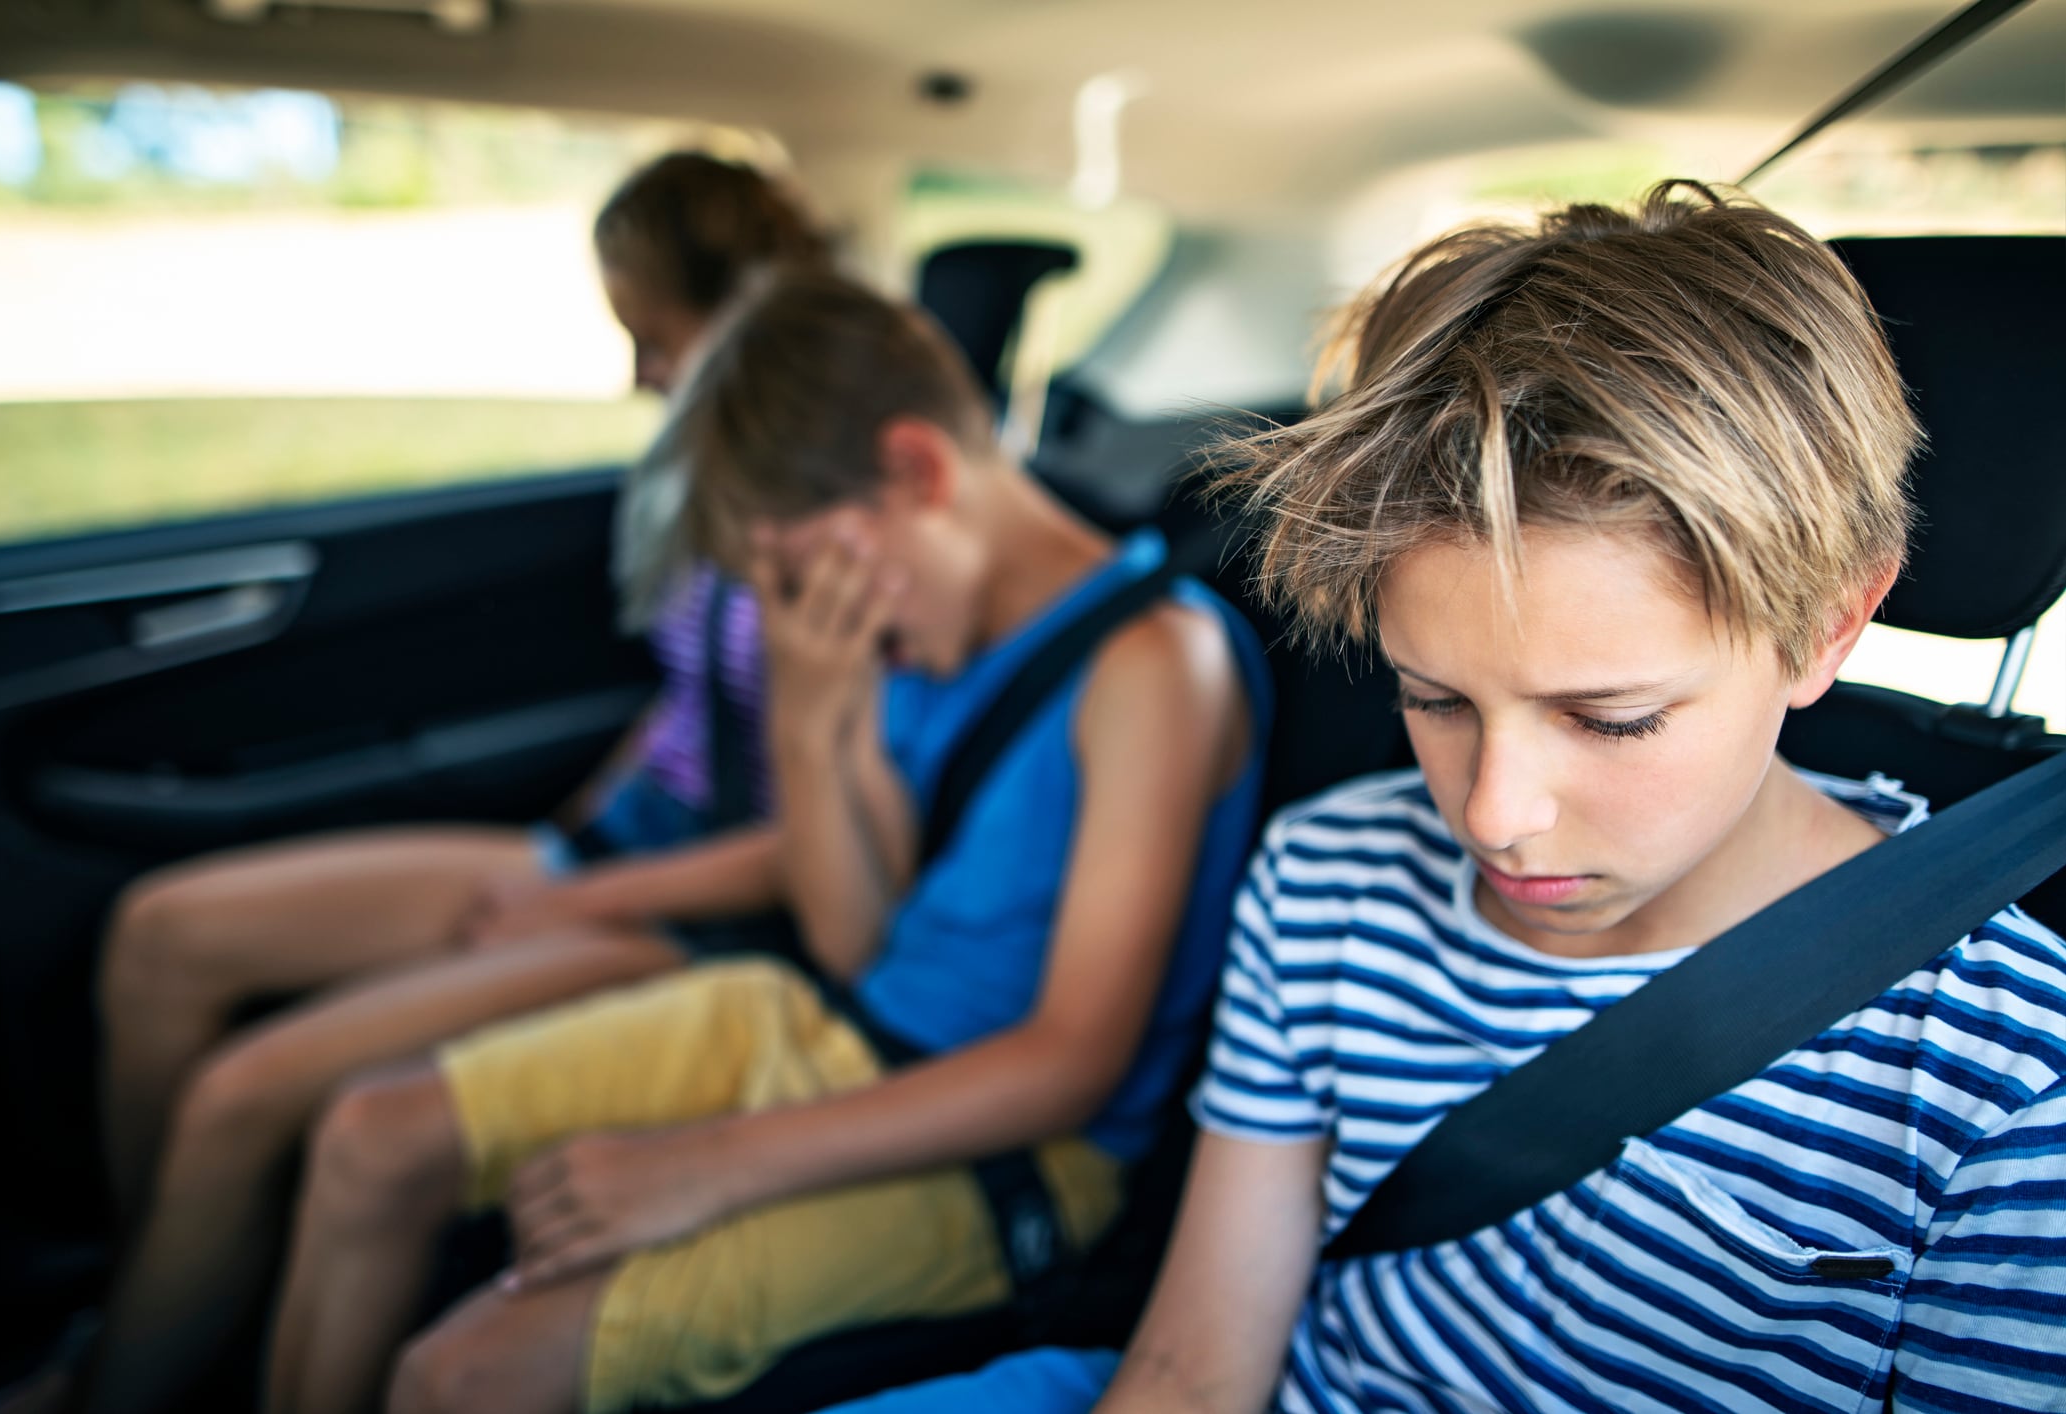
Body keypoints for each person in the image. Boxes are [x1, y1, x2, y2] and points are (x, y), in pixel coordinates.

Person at [818, 182, 2066, 1414]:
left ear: (1829, 623)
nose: (1491, 815)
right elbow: (1195, 1370)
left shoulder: (2002, 1088)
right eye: (1434, 699)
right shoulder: (1327, 876)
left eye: (1610, 718)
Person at [259, 269, 1273, 1414]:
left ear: (918, 472)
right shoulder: (916, 642)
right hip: (833, 1025)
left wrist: (706, 1163)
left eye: (802, 577)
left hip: (1020, 1151)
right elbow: (855, 948)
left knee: (459, 1375)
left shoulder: (1153, 667)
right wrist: (807, 715)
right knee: (369, 1135)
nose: (808, 615)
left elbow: (1068, 1062)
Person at [53, 153, 831, 1414]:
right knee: (161, 935)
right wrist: (566, 839)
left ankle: (119, 1380)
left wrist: (568, 902)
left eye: (653, 335)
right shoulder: (712, 467)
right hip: (623, 845)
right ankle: (175, 1291)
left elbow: (809, 826)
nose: (635, 374)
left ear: (733, 305)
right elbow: (696, 701)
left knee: (242, 1093)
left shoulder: (817, 509)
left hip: (706, 911)